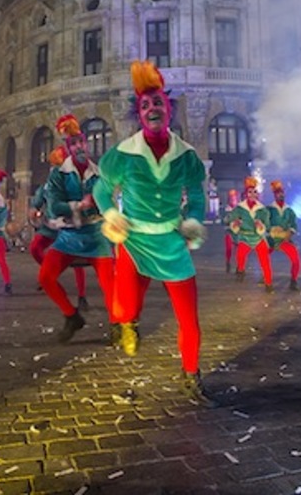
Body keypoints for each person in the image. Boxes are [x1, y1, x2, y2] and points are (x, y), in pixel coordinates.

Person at [93, 60, 215, 406]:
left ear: (169, 109)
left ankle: (191, 375)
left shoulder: (187, 156)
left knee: (189, 317)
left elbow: (197, 193)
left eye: (158, 102)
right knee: (127, 305)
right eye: (145, 105)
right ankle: (125, 323)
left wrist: (193, 220)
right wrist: (112, 215)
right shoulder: (124, 154)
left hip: (172, 243)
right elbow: (103, 190)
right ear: (139, 114)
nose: (152, 109)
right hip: (133, 240)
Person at [38, 114, 115, 343]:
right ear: (68, 148)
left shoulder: (99, 173)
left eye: (81, 141)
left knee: (110, 283)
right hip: (69, 237)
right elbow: (53, 208)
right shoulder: (58, 175)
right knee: (45, 277)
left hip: (96, 236)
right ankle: (72, 316)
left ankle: (117, 325)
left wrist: (101, 205)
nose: (80, 146)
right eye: (74, 144)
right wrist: (79, 206)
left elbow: (107, 200)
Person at [28, 145, 87, 301]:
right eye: (53, 165)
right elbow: (41, 195)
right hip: (50, 226)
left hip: (69, 226)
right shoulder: (49, 183)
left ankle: (81, 296)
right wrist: (34, 207)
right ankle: (48, 274)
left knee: (76, 260)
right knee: (35, 248)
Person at [230, 176, 274, 291]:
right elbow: (231, 220)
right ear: (246, 194)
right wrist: (235, 224)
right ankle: (240, 271)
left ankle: (269, 284)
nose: (252, 194)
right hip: (245, 237)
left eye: (255, 192)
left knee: (265, 261)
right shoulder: (239, 209)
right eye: (250, 192)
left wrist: (261, 226)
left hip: (258, 238)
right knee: (240, 256)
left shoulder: (263, 210)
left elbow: (267, 226)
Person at [266, 180, 301, 291]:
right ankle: (267, 279)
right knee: (263, 256)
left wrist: (289, 233)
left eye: (282, 192)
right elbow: (264, 223)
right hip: (271, 239)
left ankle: (293, 281)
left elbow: (294, 224)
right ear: (274, 195)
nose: (280, 195)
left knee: (295, 259)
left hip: (284, 240)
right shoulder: (269, 210)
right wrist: (271, 230)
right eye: (278, 193)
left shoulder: (289, 211)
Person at [221, 188, 239, 273]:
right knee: (229, 249)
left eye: (235, 198)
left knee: (238, 250)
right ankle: (228, 262)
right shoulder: (225, 209)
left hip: (238, 232)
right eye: (232, 198)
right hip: (228, 231)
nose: (233, 200)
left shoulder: (239, 209)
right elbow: (223, 221)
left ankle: (239, 266)